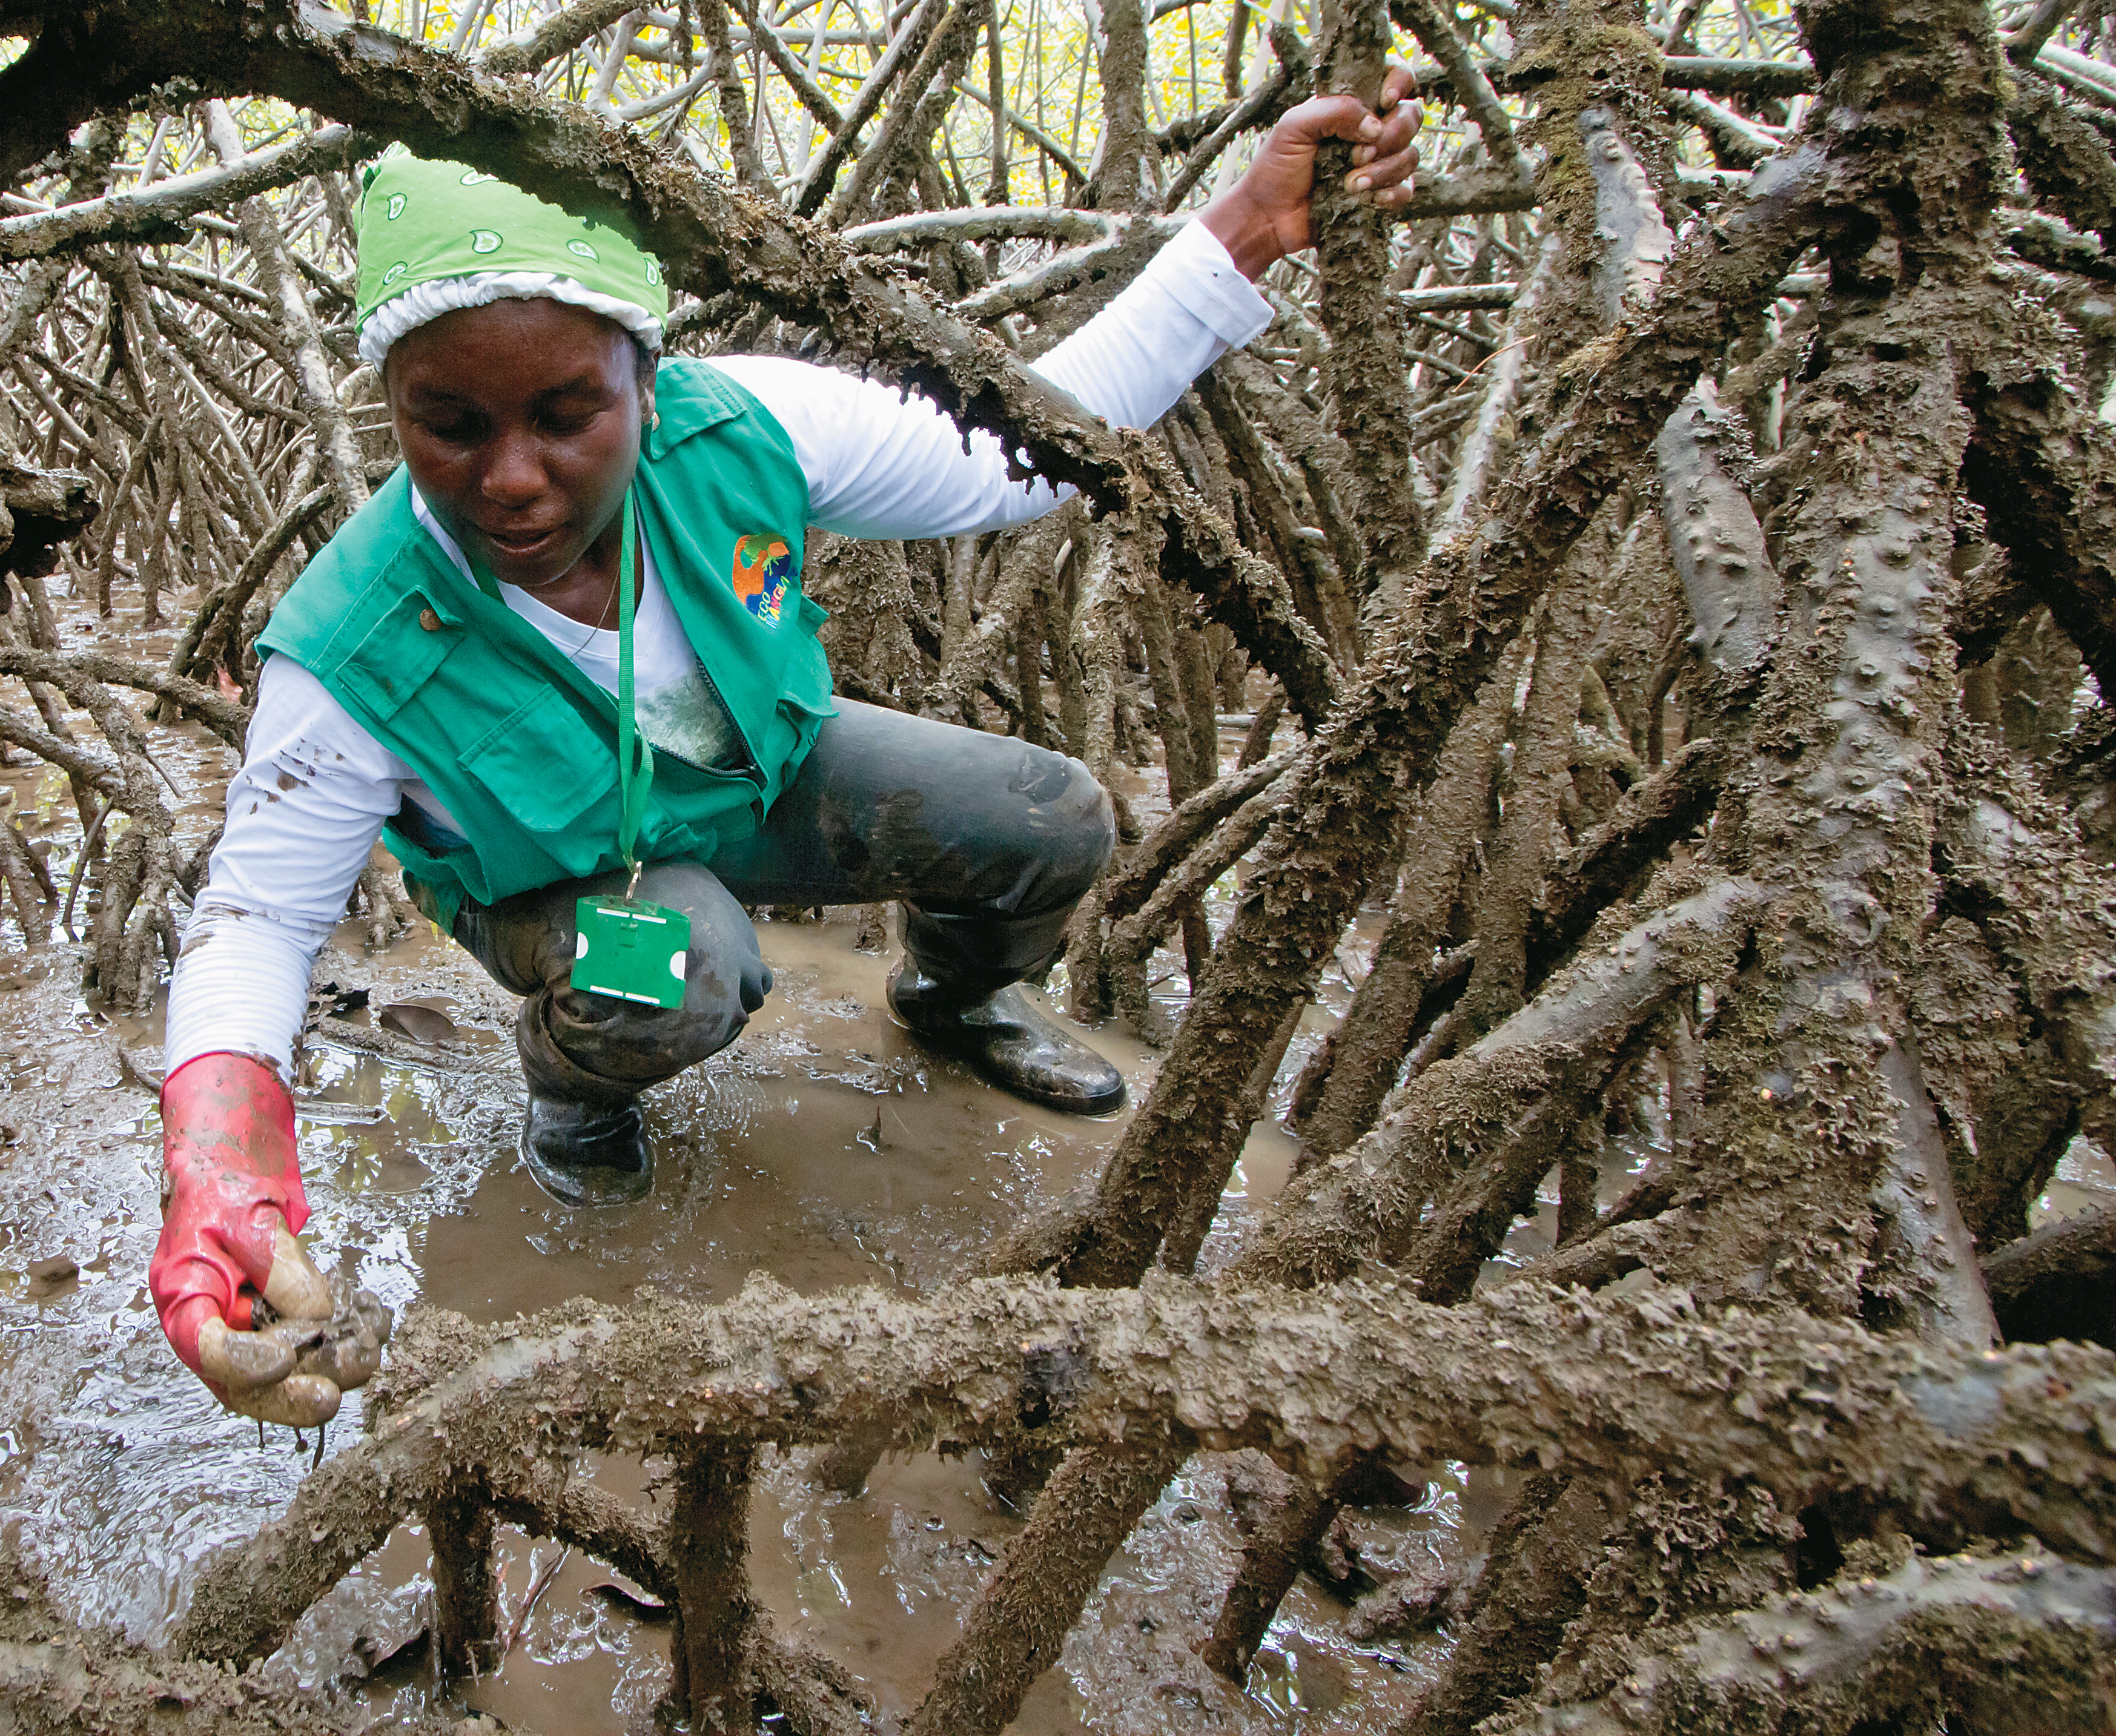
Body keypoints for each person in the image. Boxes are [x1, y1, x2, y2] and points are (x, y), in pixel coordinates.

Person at [152, 74, 1422, 1422]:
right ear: (394, 405)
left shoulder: (737, 427)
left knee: (1050, 816)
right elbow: (255, 921)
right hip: (563, 892)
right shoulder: (351, 647)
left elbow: (1029, 452)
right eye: (450, 426)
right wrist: (225, 1187)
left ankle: (952, 997)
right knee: (684, 961)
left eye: (566, 416)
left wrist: (1245, 231)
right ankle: (574, 1089)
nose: (512, 479)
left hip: (759, 786)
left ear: (645, 374)